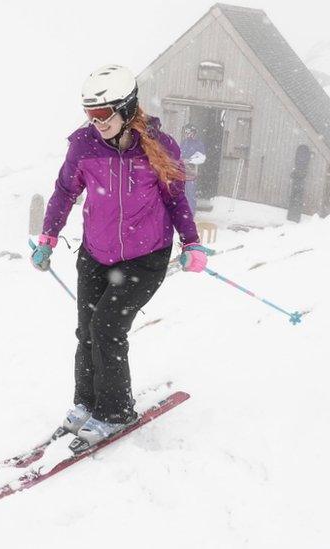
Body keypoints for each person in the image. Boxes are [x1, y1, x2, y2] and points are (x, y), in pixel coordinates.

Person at [30, 65, 209, 453]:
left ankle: (115, 412)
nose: (95, 123)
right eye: (89, 114)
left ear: (126, 108)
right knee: (86, 330)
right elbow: (64, 192)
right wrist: (48, 237)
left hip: (145, 258)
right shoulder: (83, 145)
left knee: (107, 326)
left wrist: (192, 243)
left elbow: (176, 199)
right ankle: (87, 403)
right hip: (95, 255)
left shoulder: (159, 147)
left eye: (102, 114)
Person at [180, 123, 207, 212]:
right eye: (185, 132)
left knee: (190, 194)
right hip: (181, 171)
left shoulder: (198, 144)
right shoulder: (184, 142)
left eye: (188, 132)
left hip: (191, 172)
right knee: (180, 193)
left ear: (193, 132)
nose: (186, 134)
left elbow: (202, 158)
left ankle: (190, 214)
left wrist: (190, 161)